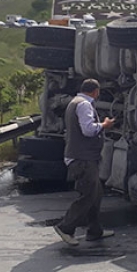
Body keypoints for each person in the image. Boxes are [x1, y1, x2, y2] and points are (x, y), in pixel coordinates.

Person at [54, 79, 115, 246]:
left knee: (96, 194)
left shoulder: (74, 102)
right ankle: (65, 227)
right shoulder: (84, 105)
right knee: (88, 195)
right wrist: (104, 125)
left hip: (82, 157)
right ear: (95, 91)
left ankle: (94, 231)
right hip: (83, 159)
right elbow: (88, 130)